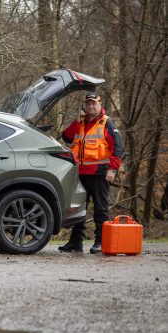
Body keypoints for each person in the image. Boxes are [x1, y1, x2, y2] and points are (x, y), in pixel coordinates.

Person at [59, 92, 124, 254]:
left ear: (99, 105)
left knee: (100, 209)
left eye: (93, 103)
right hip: (80, 174)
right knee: (79, 208)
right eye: (88, 104)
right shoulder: (81, 122)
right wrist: (76, 120)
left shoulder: (107, 123)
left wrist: (113, 169)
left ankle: (101, 242)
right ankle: (76, 243)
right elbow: (66, 137)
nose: (90, 106)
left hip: (100, 174)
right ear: (85, 106)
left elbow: (118, 148)